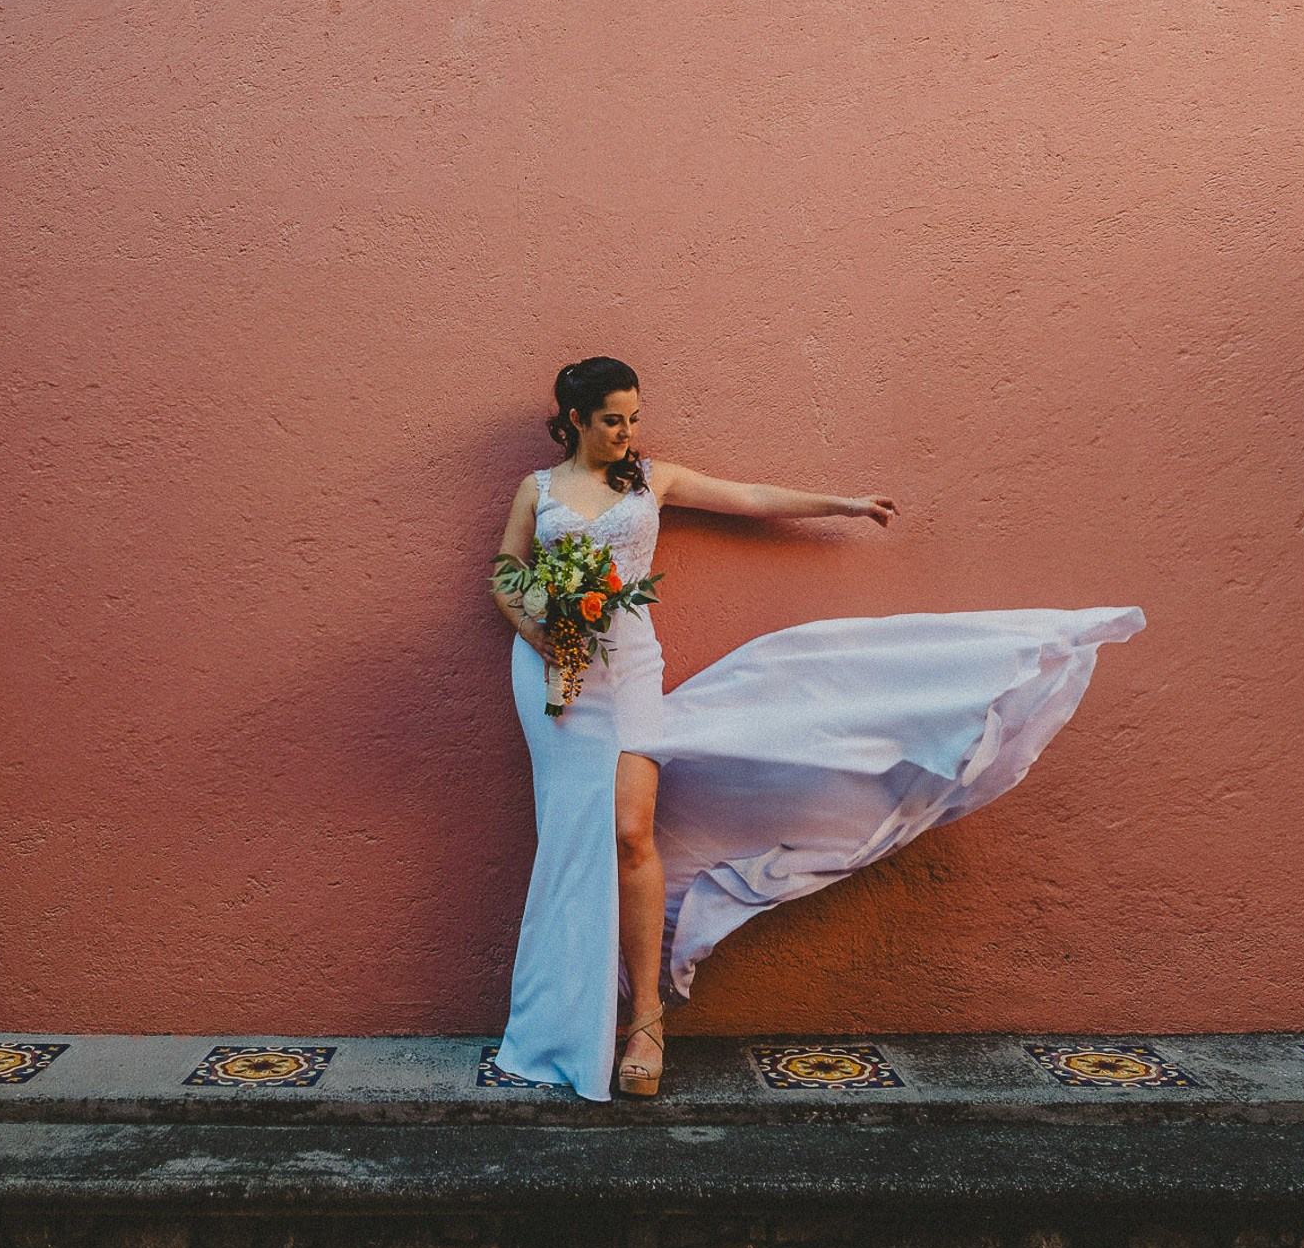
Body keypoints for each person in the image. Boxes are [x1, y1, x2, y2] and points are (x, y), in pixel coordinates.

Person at [490, 356, 1145, 1100]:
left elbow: (748, 497)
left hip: (632, 667)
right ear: (575, 419)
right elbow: (505, 570)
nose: (629, 433)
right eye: (614, 420)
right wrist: (541, 630)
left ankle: (645, 1018)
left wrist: (843, 504)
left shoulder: (651, 479)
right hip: (556, 675)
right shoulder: (536, 491)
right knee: (573, 834)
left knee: (632, 830)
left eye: (635, 418)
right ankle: (564, 1021)